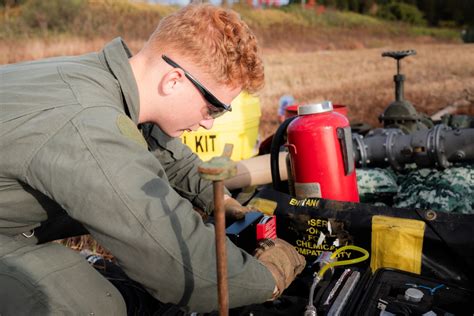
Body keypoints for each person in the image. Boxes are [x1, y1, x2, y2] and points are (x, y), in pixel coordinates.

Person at [0, 3, 305, 315]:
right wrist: (268, 277)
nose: (209, 123)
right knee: (87, 302)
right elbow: (177, 265)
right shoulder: (87, 126)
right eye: (213, 108)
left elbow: (156, 146)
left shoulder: (96, 78)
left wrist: (219, 199)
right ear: (173, 80)